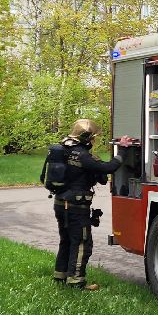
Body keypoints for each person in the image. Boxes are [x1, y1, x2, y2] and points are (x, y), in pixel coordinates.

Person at [52, 118, 122, 290]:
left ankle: (60, 275)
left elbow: (97, 176)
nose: (93, 141)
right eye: (92, 138)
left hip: (61, 203)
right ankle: (76, 280)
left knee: (66, 240)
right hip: (76, 207)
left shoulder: (63, 150)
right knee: (82, 242)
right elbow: (107, 168)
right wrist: (122, 153)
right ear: (85, 137)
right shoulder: (83, 155)